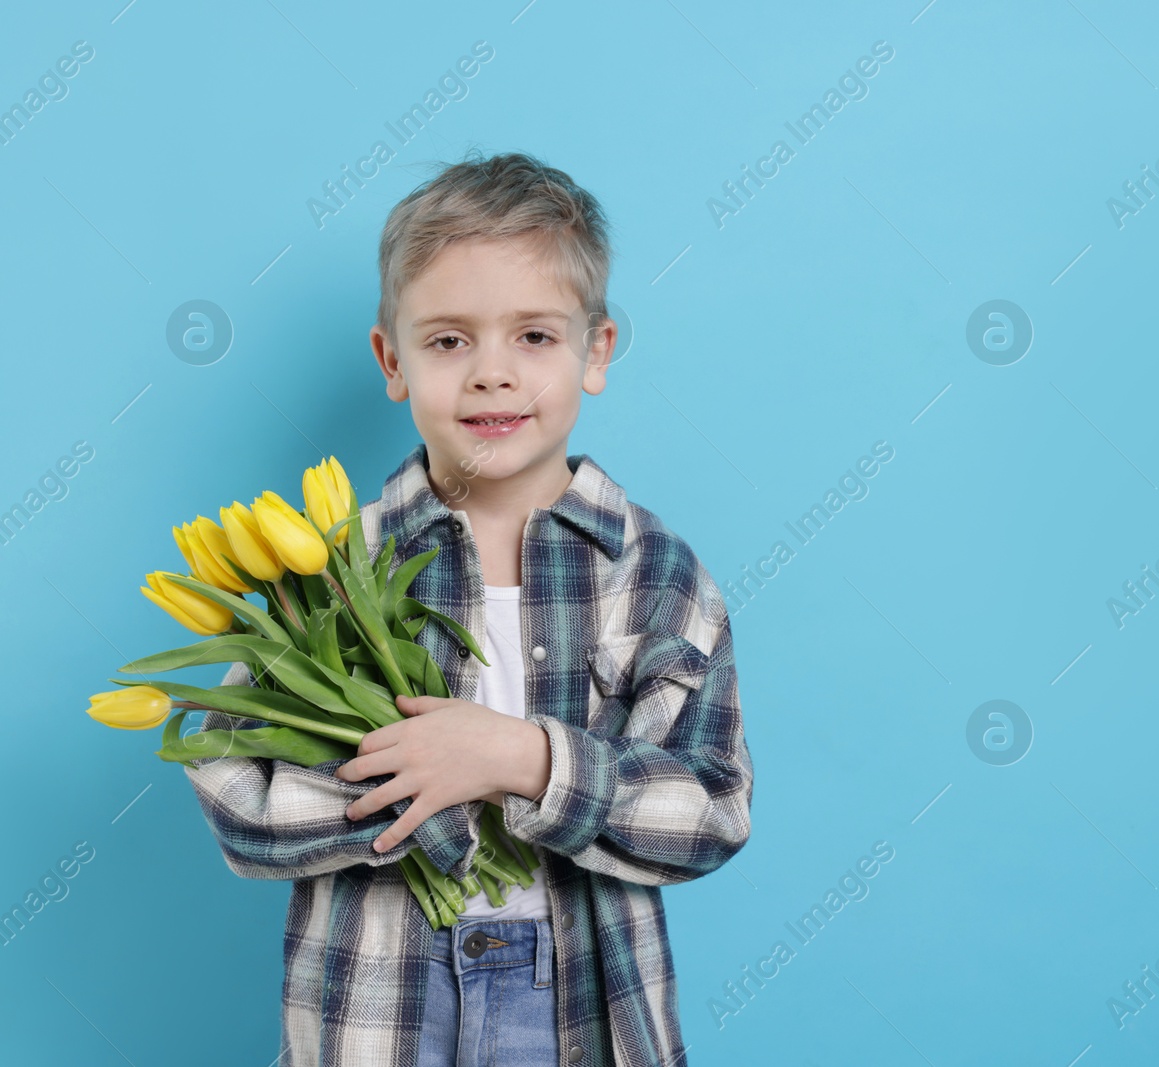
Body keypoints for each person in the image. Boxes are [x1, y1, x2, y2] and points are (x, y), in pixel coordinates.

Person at [182, 150, 754, 1067]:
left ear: (596, 350)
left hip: (579, 1007)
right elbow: (238, 800)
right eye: (449, 340)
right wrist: (417, 788)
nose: (493, 374)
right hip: (376, 1008)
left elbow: (711, 812)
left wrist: (522, 760)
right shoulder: (328, 564)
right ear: (392, 360)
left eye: (534, 336)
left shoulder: (654, 575)